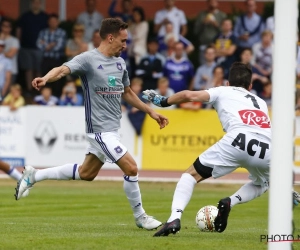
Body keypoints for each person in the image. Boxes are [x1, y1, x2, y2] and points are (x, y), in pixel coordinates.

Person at [15, 18, 169, 230]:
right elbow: (62, 69)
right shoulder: (88, 59)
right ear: (110, 37)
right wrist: (45, 78)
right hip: (99, 131)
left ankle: (35, 175)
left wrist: (150, 110)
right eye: (123, 40)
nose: (126, 45)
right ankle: (140, 216)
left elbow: (127, 92)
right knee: (131, 168)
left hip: (113, 130)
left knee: (87, 173)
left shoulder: (120, 63)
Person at [142, 62, 286, 236]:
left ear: (227, 83)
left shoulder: (222, 91)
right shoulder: (261, 102)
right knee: (264, 183)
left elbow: (189, 94)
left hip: (237, 140)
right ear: (250, 86)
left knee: (190, 175)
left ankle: (174, 218)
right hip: (267, 148)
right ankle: (230, 202)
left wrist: (162, 101)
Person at [17, 0, 48, 93]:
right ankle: (30, 89)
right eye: (34, 3)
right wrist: (19, 43)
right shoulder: (25, 16)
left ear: (40, 4)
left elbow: (47, 32)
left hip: (39, 48)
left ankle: (38, 89)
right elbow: (19, 29)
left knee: (38, 69)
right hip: (26, 46)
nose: (36, 4)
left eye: (38, 3)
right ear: (31, 4)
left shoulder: (44, 17)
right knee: (28, 69)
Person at [37, 14, 66, 97]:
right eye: (51, 21)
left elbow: (59, 47)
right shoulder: (43, 32)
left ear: (58, 22)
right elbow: (39, 45)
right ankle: (45, 98)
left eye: (55, 21)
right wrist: (51, 44)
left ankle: (56, 97)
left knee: (57, 79)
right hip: (45, 59)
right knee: (45, 79)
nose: (53, 23)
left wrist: (45, 45)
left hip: (57, 60)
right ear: (48, 22)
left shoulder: (62, 32)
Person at [194, 0, 226, 65]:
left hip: (218, 47)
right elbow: (195, 31)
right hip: (204, 45)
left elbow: (225, 32)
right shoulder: (202, 14)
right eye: (210, 2)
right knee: (204, 65)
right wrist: (203, 23)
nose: (212, 4)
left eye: (214, 2)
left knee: (218, 68)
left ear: (217, 3)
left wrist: (216, 24)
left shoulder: (222, 15)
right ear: (207, 3)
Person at [0, 19, 20, 84]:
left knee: (8, 93)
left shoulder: (14, 40)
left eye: (8, 26)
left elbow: (10, 55)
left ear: (11, 28)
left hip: (11, 70)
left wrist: (2, 41)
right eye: (4, 26)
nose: (5, 28)